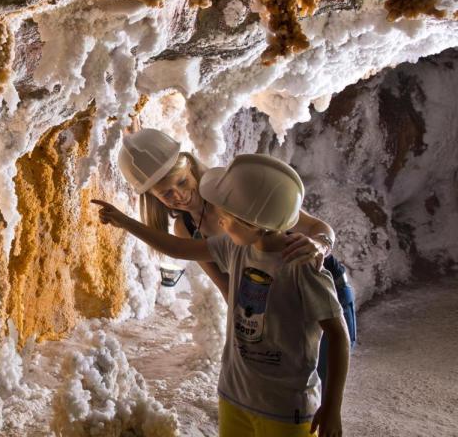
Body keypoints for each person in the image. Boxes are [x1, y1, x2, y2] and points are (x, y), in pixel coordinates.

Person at [94, 154, 349, 437]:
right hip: (235, 396)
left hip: (286, 407)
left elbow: (338, 335)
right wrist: (124, 222)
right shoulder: (236, 247)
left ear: (253, 223)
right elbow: (178, 249)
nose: (220, 222)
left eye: (226, 218)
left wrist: (332, 406)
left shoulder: (302, 267)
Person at [117, 129, 356, 387]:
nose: (179, 196)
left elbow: (317, 228)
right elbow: (226, 286)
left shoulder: (232, 190)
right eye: (166, 194)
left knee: (325, 379)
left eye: (182, 182)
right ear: (153, 198)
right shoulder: (185, 228)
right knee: (289, 392)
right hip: (278, 302)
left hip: (320, 283)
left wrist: (320, 246)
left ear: (191, 168)